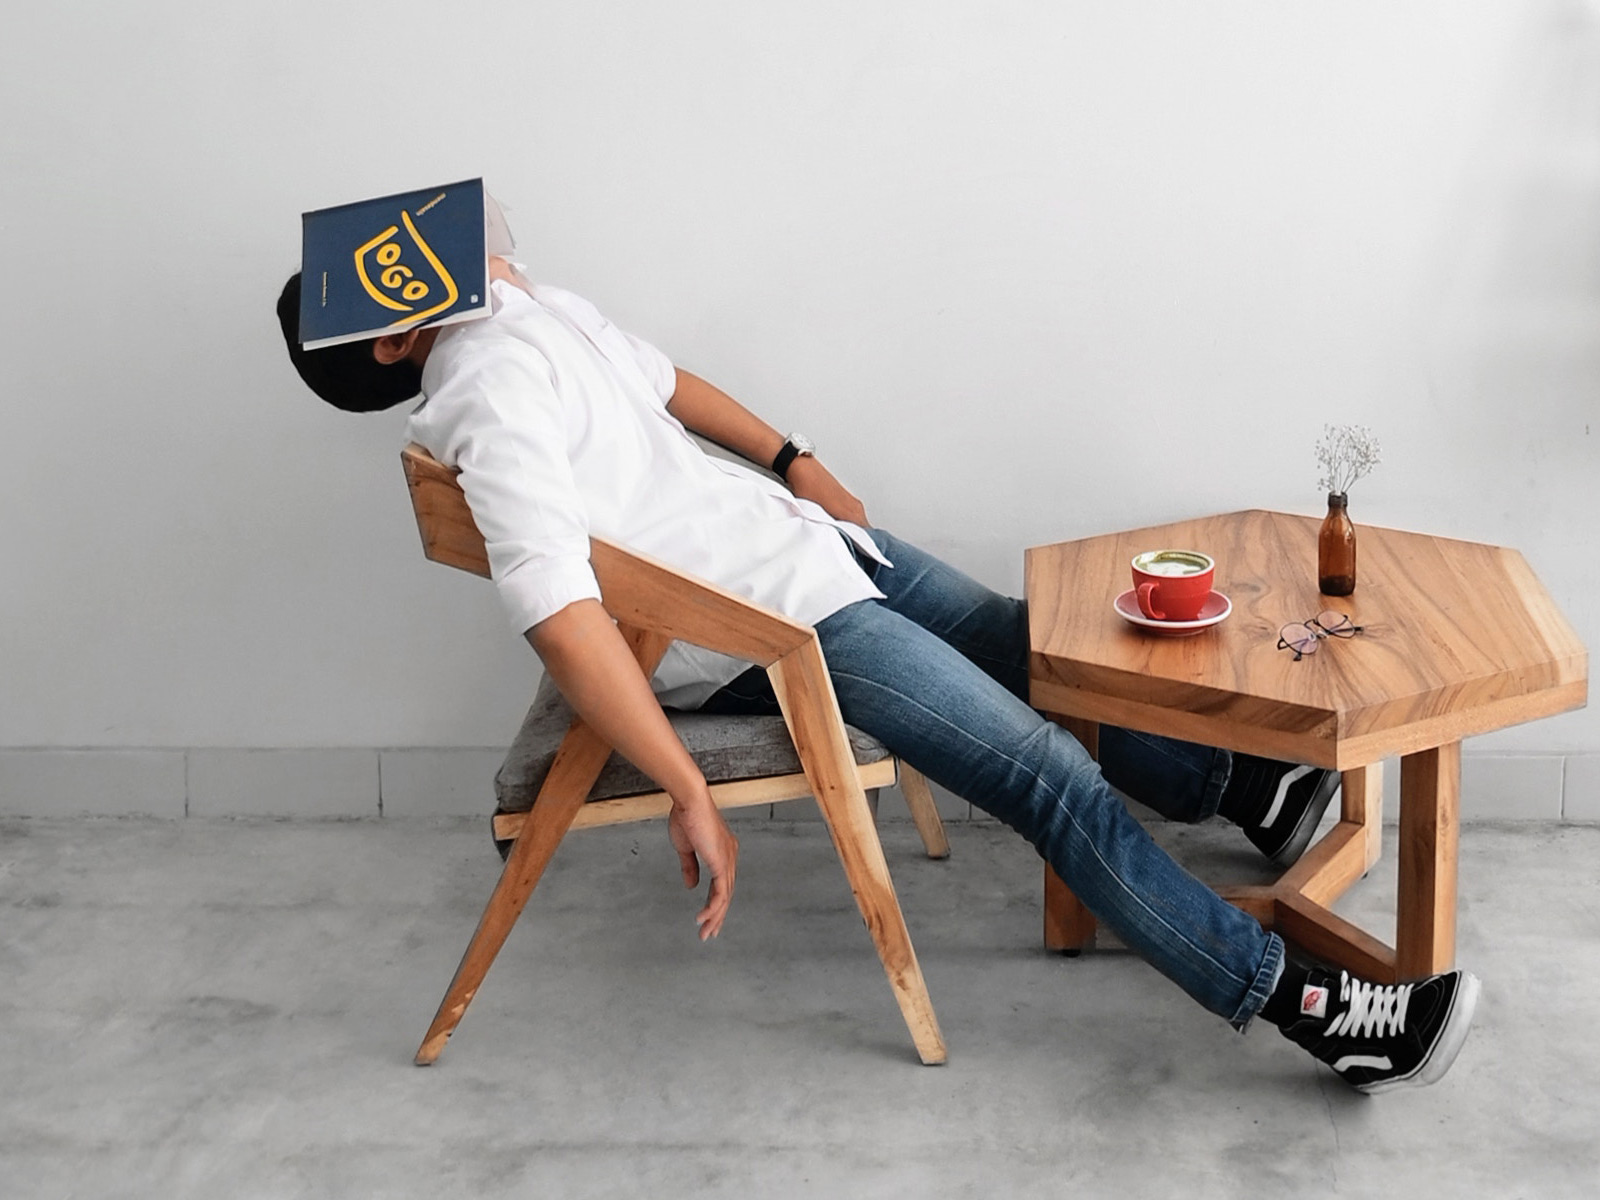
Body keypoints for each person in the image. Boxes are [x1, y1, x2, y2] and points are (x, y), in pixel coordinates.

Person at [275, 257, 1479, 1094]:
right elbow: (558, 611)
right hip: (773, 629)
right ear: (393, 334)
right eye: (398, 258)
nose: (439, 239)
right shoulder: (483, 399)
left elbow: (664, 381)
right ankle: (1309, 1012)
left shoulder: (514, 312)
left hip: (800, 549)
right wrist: (680, 786)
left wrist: (799, 462)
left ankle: (1236, 790)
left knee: (1027, 636)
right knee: (1050, 780)